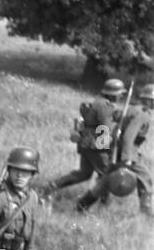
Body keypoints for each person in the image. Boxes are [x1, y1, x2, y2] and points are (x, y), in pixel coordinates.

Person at [47, 78, 125, 210]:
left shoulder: (98, 102)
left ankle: (52, 186)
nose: (121, 96)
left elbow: (100, 120)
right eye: (119, 94)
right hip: (97, 146)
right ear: (112, 94)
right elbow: (104, 127)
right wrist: (112, 138)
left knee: (84, 173)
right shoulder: (104, 106)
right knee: (107, 174)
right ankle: (102, 204)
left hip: (86, 144)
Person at [115, 81, 153, 216]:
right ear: (149, 100)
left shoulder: (133, 108)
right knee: (146, 178)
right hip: (128, 151)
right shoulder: (142, 114)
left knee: (107, 178)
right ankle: (146, 213)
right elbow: (128, 136)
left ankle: (84, 203)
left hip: (120, 148)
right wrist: (127, 158)